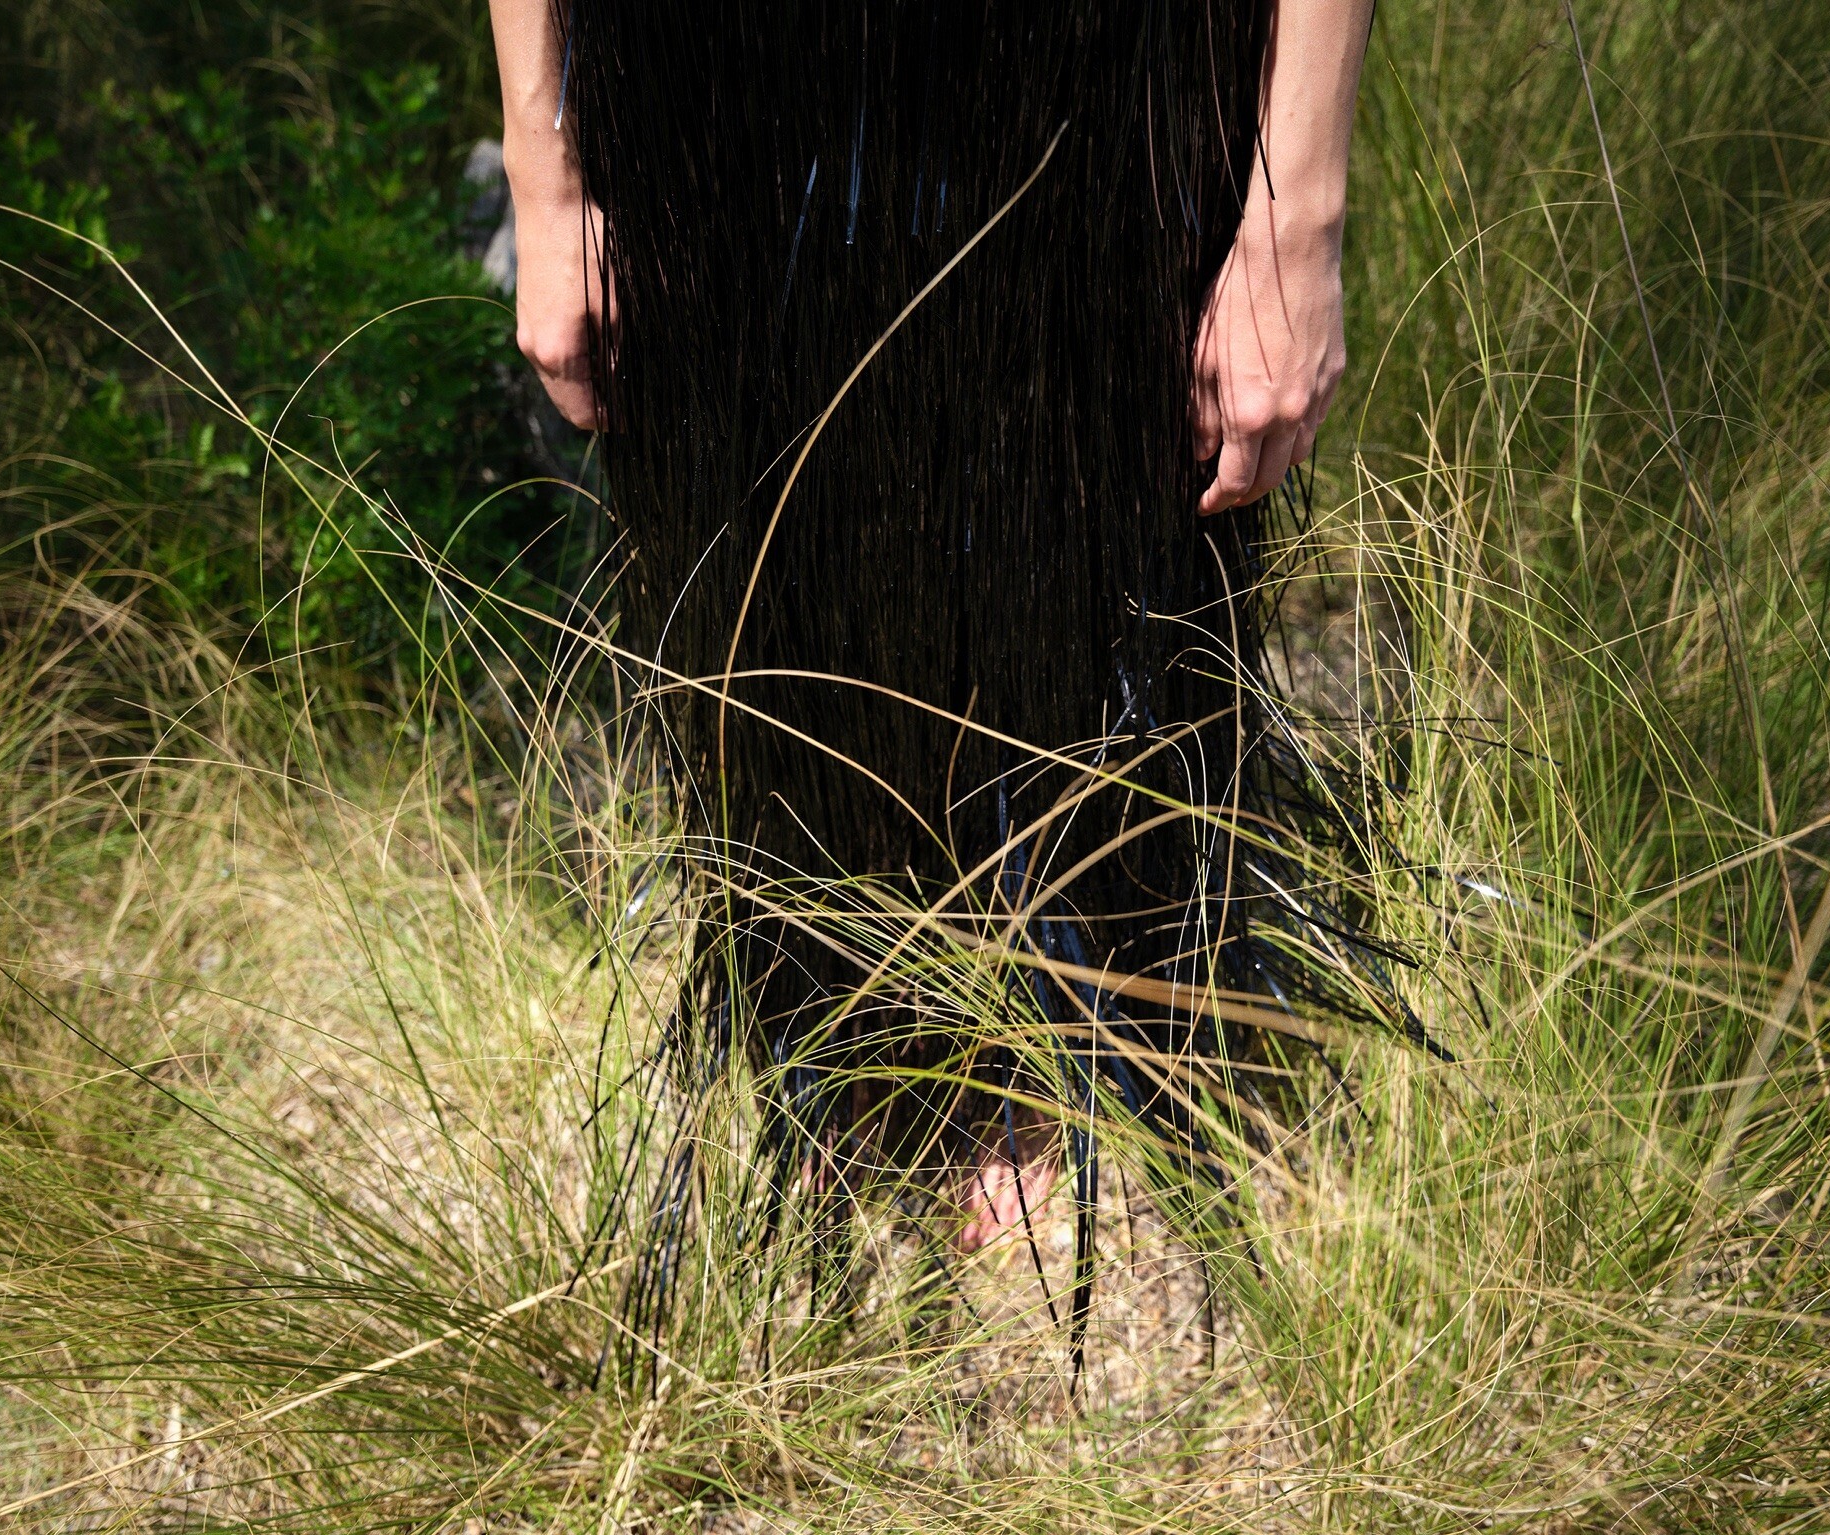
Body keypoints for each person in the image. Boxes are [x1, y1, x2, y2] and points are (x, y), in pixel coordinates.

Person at [485, 1, 1380, 1267]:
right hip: (708, 76)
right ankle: (846, 1015)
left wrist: (1296, 216)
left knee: (1070, 488)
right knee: (776, 522)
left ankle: (1064, 1024)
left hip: (1105, 59)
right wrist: (545, 175)